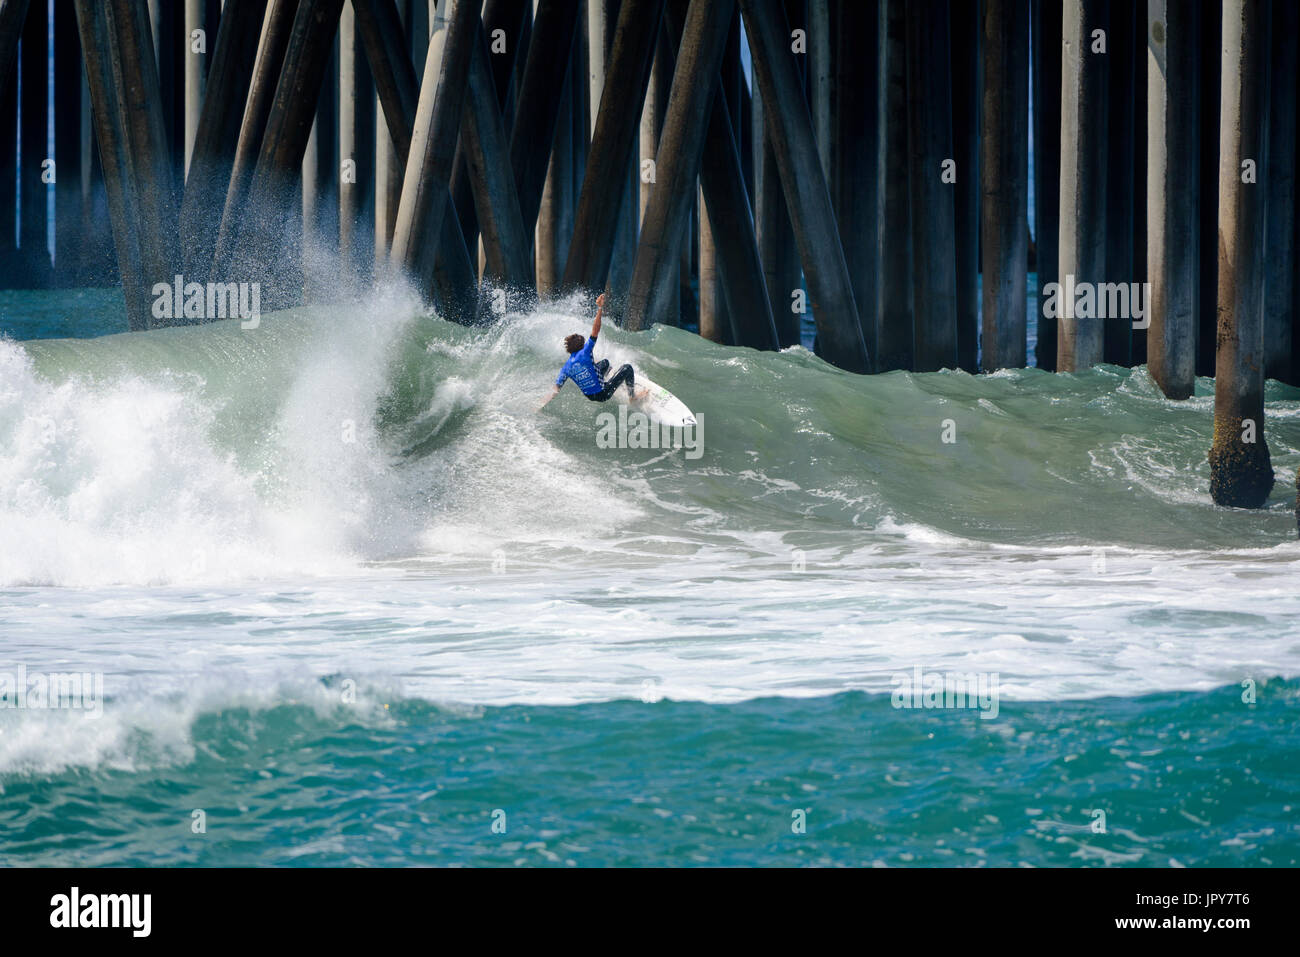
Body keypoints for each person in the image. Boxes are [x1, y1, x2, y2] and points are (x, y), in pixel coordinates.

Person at [537, 293, 640, 410]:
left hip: (590, 396)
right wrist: (600, 308)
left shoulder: (566, 368)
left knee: (605, 363)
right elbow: (595, 329)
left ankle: (603, 381)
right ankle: (633, 397)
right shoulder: (585, 352)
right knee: (627, 368)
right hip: (603, 394)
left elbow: (555, 390)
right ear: (582, 346)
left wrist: (540, 404)